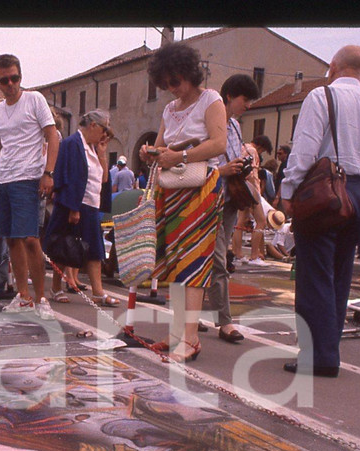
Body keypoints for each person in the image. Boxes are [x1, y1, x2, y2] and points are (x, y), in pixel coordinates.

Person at [278, 45, 360, 377]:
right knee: (340, 273)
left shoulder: (321, 97)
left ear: (332, 67)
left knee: (314, 274)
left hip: (325, 192)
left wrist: (288, 190)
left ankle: (318, 356)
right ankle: (328, 350)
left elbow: (304, 148)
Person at [138, 42, 228, 363]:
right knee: (177, 262)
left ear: (189, 72)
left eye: (174, 81)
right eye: (165, 84)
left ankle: (189, 338)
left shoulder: (211, 99)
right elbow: (161, 146)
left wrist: (182, 155)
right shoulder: (169, 109)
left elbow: (219, 143)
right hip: (172, 188)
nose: (171, 89)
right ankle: (179, 333)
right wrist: (150, 153)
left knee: (195, 261)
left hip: (200, 187)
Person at [0, 53, 60, 320]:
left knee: (31, 239)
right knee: (12, 239)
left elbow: (52, 135)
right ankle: (23, 296)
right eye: (5, 80)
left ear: (20, 77)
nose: (11, 83)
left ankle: (41, 299)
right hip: (4, 181)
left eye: (15, 78)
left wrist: (49, 173)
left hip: (28, 178)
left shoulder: (34, 100)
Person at [44, 109, 117, 308]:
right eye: (104, 129)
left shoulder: (94, 148)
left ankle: (98, 293)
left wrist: (102, 154)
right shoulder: (71, 144)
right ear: (92, 125)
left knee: (95, 249)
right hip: (72, 204)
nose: (104, 135)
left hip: (91, 204)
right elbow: (67, 176)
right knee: (63, 246)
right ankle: (56, 287)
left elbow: (102, 180)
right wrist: (73, 207)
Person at [212, 73, 261, 344]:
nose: (249, 105)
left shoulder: (235, 125)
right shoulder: (211, 122)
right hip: (210, 197)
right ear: (230, 96)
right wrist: (222, 170)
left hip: (231, 196)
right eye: (246, 99)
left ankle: (193, 316)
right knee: (219, 258)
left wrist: (242, 165)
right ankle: (225, 321)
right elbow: (199, 162)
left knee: (216, 257)